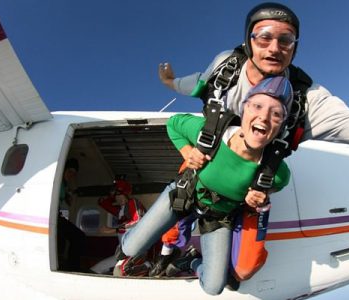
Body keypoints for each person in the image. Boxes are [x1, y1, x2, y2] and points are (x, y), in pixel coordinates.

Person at [158, 2, 349, 148]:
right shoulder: (225, 66)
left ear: (295, 47)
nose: (274, 48)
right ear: (248, 41)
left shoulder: (306, 97)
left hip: (252, 188)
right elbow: (196, 85)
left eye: (286, 40)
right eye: (264, 37)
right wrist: (171, 83)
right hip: (205, 162)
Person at [121, 76, 292, 295]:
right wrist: (187, 152)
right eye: (257, 106)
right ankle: (130, 249)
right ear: (244, 110)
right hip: (184, 196)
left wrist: (261, 195)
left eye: (276, 114)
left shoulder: (276, 171)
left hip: (218, 217)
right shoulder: (210, 132)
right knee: (130, 248)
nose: (264, 117)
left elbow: (277, 185)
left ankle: (189, 261)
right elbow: (174, 124)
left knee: (213, 287)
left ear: (281, 127)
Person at [90, 179, 146, 274]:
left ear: (126, 194)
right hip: (123, 253)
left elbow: (138, 221)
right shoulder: (120, 211)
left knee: (118, 272)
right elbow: (102, 202)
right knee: (95, 270)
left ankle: (146, 266)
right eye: (115, 196)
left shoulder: (132, 202)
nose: (117, 198)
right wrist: (113, 195)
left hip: (135, 252)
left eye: (120, 194)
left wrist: (114, 230)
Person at [57, 158, 87, 272]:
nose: (71, 175)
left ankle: (72, 266)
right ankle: (71, 266)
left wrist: (68, 194)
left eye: (74, 173)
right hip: (53, 218)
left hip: (57, 217)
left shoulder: (64, 185)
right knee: (77, 237)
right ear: (64, 169)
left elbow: (69, 202)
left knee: (79, 237)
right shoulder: (58, 182)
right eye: (70, 171)